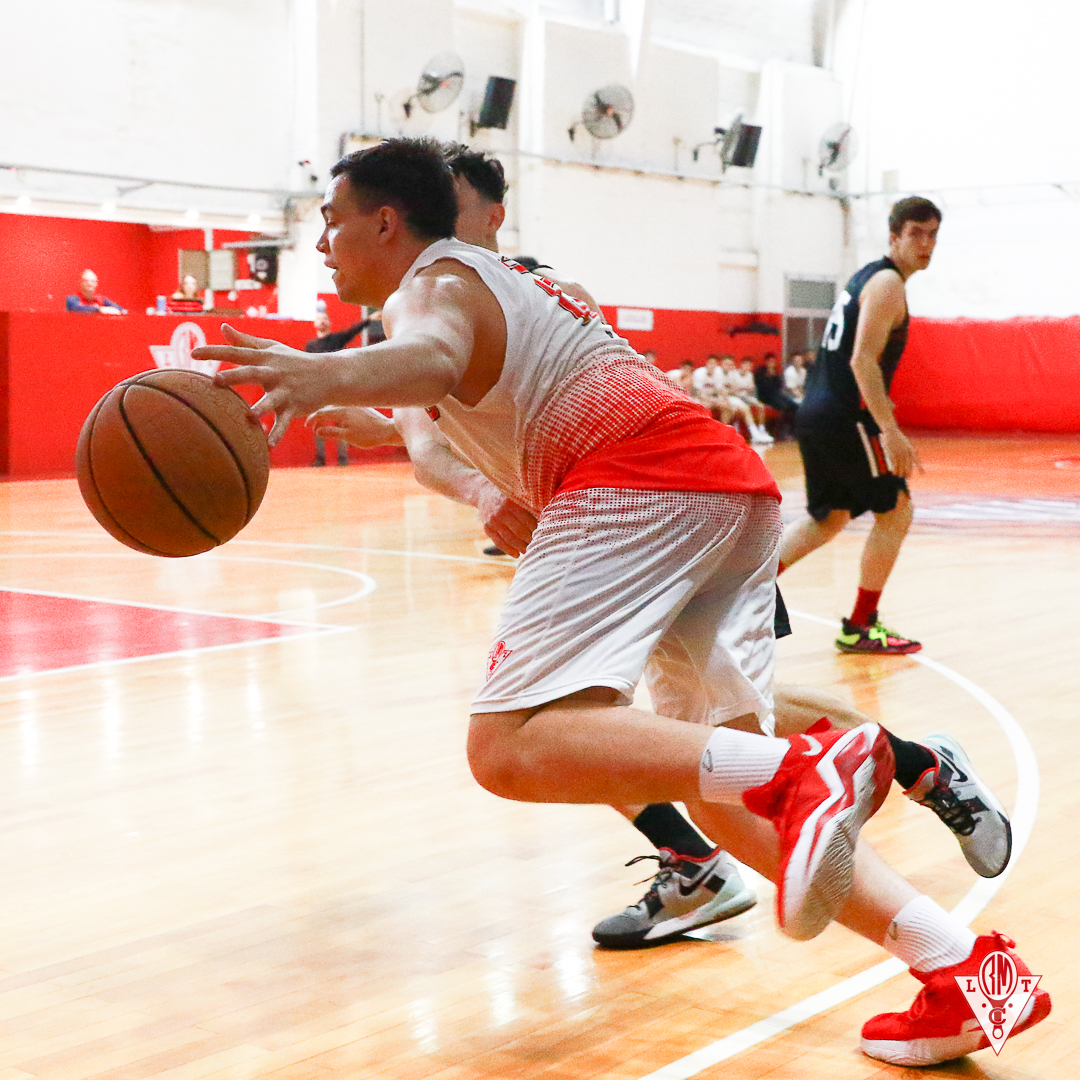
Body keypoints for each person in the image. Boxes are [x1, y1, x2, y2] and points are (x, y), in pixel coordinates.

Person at [193, 143, 1047, 1065]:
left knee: (511, 745)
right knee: (720, 796)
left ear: (387, 222)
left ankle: (816, 767)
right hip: (724, 489)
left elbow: (432, 356)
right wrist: (368, 412)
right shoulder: (499, 288)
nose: (319, 240)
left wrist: (318, 374)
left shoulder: (432, 286)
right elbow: (441, 394)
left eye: (330, 220)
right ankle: (964, 970)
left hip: (635, 483)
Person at [780, 197, 941, 656]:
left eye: (932, 235)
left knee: (827, 520)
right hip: (843, 416)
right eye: (916, 233)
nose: (926, 244)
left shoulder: (866, 277)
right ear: (894, 236)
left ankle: (736, 594)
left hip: (818, 412)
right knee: (897, 509)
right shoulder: (888, 282)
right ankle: (860, 625)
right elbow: (861, 360)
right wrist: (889, 430)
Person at [304, 311, 374, 465]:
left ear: (329, 323)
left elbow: (352, 331)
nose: (321, 322)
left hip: (337, 388)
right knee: (318, 422)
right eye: (319, 320)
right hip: (318, 390)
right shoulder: (310, 345)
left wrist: (368, 320)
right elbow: (306, 368)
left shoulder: (337, 339)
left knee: (340, 422)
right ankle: (320, 458)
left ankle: (342, 458)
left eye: (324, 319)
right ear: (315, 324)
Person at [754, 352, 798, 439]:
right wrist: (769, 377)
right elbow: (762, 388)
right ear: (766, 362)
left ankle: (791, 430)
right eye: (770, 361)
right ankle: (781, 431)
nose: (772, 363)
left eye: (773, 362)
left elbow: (779, 387)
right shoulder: (761, 373)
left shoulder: (777, 373)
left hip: (777, 396)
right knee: (784, 407)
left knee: (794, 405)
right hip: (766, 397)